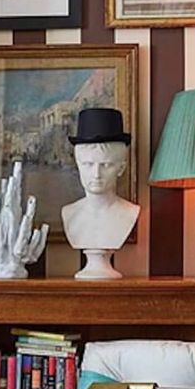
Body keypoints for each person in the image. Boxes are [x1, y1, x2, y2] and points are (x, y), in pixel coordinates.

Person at [61, 108, 140, 279]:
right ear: (78, 166)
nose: (96, 174)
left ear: (121, 168)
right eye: (88, 164)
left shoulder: (130, 213)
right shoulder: (69, 214)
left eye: (106, 165)